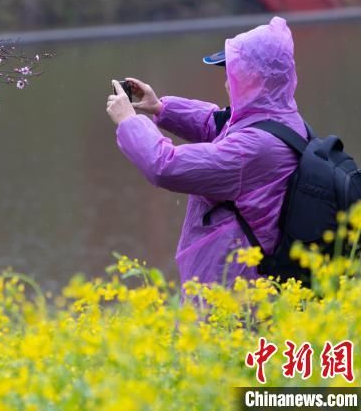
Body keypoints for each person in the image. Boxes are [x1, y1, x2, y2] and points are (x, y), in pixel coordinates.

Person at [105, 16, 307, 287]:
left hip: (233, 291)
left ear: (253, 80)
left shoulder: (251, 150)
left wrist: (129, 122)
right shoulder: (283, 117)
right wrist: (161, 108)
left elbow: (166, 166)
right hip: (243, 279)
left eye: (231, 74)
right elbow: (219, 123)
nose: (226, 83)